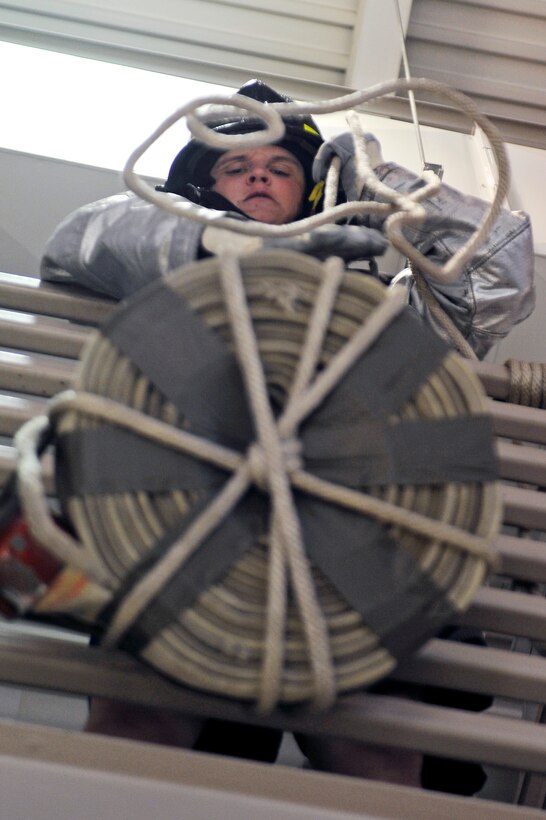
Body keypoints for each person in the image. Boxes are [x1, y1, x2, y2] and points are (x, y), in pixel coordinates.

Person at [40, 79, 534, 791]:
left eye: (279, 168)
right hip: (183, 529)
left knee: (377, 749)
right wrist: (221, 245)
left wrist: (383, 185)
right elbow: (79, 240)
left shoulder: (379, 308)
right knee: (140, 722)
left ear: (315, 191)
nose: (259, 176)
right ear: (202, 190)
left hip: (353, 544)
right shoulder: (161, 271)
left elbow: (497, 269)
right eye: (235, 167)